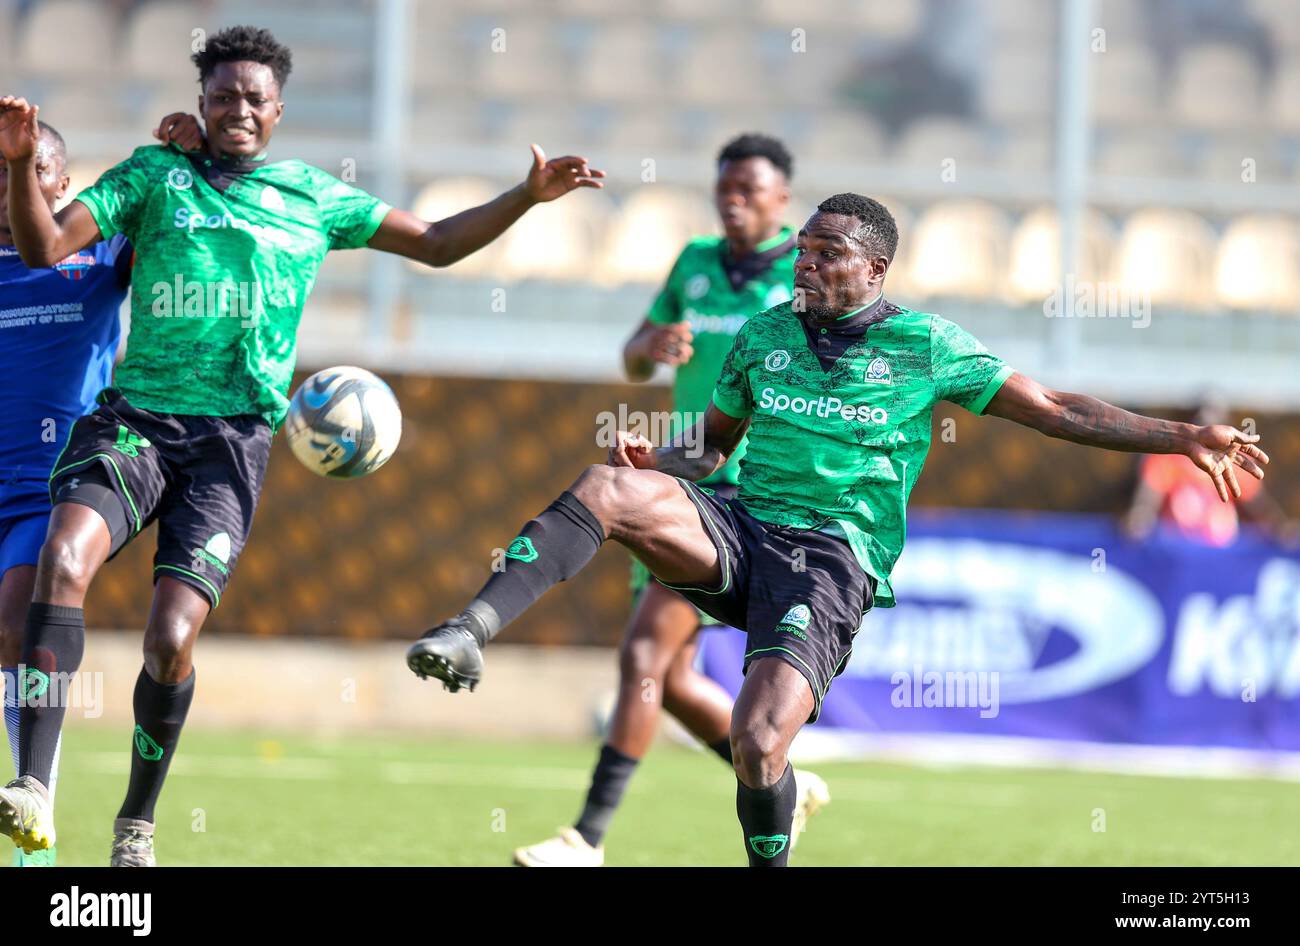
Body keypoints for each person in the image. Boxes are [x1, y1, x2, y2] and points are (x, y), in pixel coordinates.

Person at [408, 193, 1269, 866]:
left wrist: (1182, 436)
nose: (805, 263)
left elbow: (1052, 408)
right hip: (741, 524)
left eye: (827, 253)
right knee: (607, 486)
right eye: (803, 249)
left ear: (875, 268)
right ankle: (469, 631)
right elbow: (711, 447)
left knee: (756, 744)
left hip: (830, 561)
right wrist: (657, 461)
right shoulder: (765, 334)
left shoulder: (924, 345)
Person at [0, 24, 603, 866]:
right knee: (63, 558)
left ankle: (136, 822)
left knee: (170, 642)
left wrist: (525, 196)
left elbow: (432, 244)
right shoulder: (151, 176)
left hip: (229, 446)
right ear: (200, 106)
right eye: (221, 97)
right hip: (136, 421)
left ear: (279, 109)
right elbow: (43, 244)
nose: (236, 110)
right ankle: (31, 785)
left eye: (253, 98)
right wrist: (26, 163)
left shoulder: (315, 196)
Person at [513, 134, 828, 867]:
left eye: (750, 189)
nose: (734, 200)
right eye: (725, 188)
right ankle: (789, 779)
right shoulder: (692, 262)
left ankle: (584, 839)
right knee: (671, 677)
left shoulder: (801, 275)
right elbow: (630, 353)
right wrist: (649, 343)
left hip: (749, 494)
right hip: (682, 475)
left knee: (644, 656)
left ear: (782, 199)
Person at [0, 113, 201, 867]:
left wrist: (183, 157)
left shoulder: (99, 254)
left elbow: (176, 230)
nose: (6, 184)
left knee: (17, 625)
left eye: (22, 169)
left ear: (60, 182)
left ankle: (32, 828)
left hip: (43, 489)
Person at [1123, 393, 1296, 547]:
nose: (1204, 420)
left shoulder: (1234, 461)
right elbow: (1145, 503)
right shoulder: (1166, 461)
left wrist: (1281, 529)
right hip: (1177, 553)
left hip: (1219, 555)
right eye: (1199, 420)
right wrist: (1138, 520)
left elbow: (1260, 508)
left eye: (1213, 421)